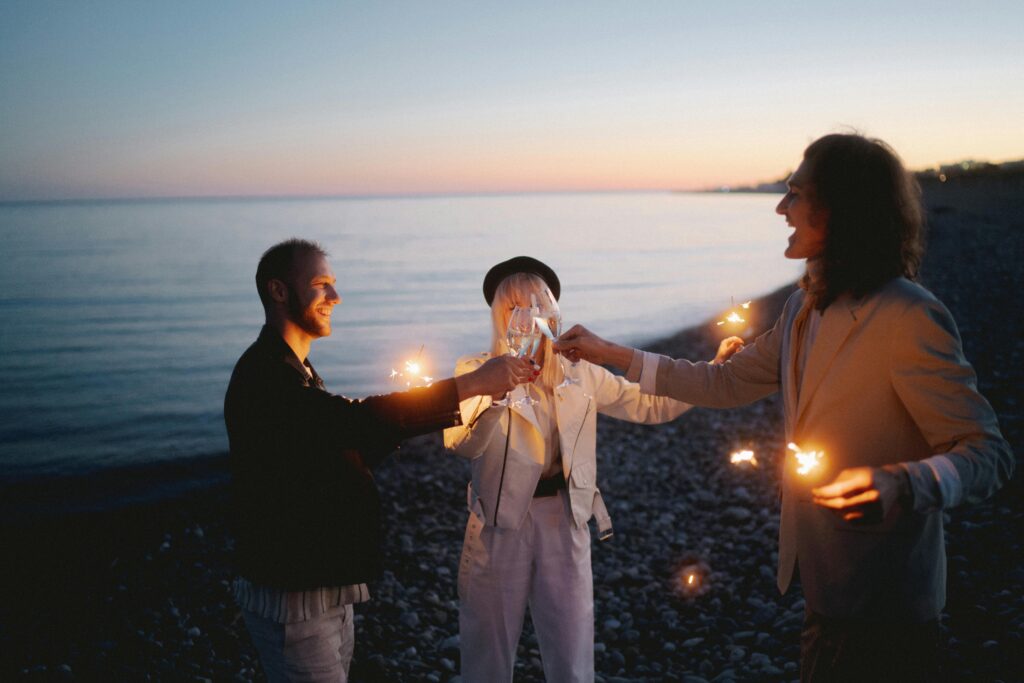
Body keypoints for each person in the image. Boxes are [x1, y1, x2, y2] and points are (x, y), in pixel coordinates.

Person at [555, 134, 1014, 681]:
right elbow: (724, 383)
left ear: (841, 209)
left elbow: (989, 452)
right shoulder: (803, 305)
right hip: (823, 583)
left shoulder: (907, 316)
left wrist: (905, 483)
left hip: (886, 601)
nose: (780, 207)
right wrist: (612, 354)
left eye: (795, 194)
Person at [224, 238, 534, 683]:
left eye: (333, 284)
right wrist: (468, 385)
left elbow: (342, 444)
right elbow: (353, 422)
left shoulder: (297, 370)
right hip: (292, 594)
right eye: (321, 284)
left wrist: (402, 423)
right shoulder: (265, 375)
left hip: (323, 583)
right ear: (278, 291)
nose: (335, 297)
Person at [444, 256, 741, 682]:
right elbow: (461, 443)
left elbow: (649, 403)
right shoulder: (475, 371)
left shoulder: (578, 372)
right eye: (514, 308)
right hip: (498, 521)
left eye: (536, 305)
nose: (526, 318)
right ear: (499, 317)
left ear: (553, 311)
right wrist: (492, 394)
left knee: (572, 646)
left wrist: (711, 372)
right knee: (486, 649)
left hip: (565, 516)